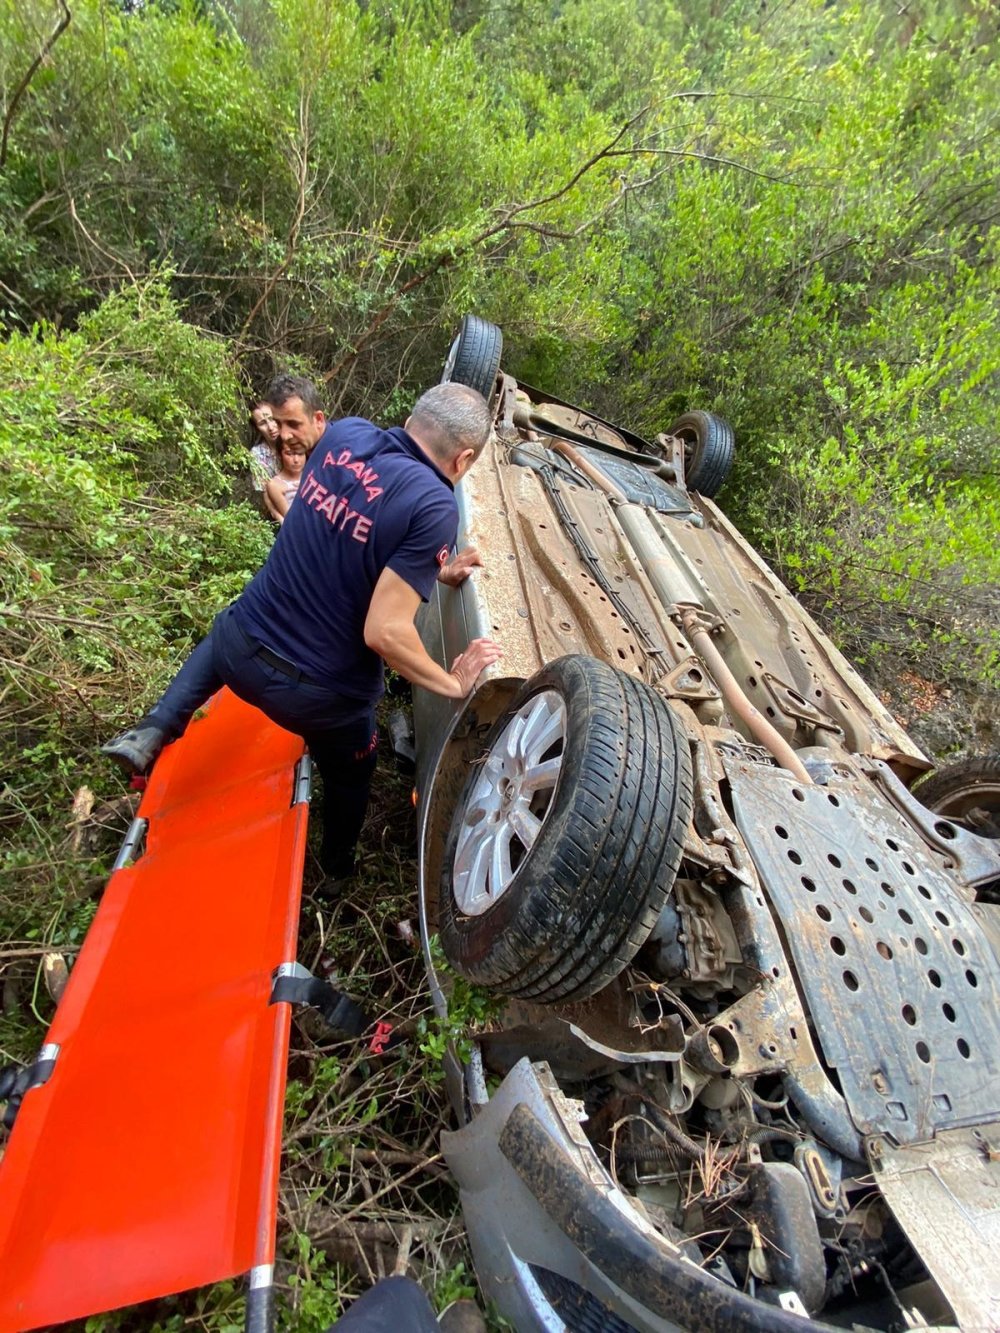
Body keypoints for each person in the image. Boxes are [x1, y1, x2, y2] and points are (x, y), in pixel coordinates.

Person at [102, 376, 502, 888]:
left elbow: (341, 532)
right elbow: (385, 631)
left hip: (237, 653)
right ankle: (335, 870)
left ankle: (155, 727)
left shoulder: (343, 435)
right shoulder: (435, 505)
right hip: (321, 698)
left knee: (228, 624)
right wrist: (453, 683)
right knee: (354, 772)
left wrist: (430, 567)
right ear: (464, 460)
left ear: (409, 422)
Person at [264, 439, 308, 523]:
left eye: (300, 453)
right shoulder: (275, 484)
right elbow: (291, 518)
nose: (296, 460)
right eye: (289, 454)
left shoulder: (313, 474)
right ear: (280, 455)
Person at [248, 401, 280, 491]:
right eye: (263, 423)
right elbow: (264, 491)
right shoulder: (256, 454)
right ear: (257, 428)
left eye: (271, 419)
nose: (270, 427)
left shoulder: (293, 440)